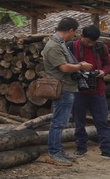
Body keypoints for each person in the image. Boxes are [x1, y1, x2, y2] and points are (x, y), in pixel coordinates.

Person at [41, 17, 93, 165]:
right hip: (62, 88)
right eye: (75, 32)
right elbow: (63, 67)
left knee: (61, 122)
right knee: (58, 122)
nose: (75, 35)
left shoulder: (60, 43)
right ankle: (53, 152)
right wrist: (81, 66)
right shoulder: (53, 46)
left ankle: (58, 151)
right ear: (70, 30)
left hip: (67, 87)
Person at [67, 24, 110, 159]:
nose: (90, 44)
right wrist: (79, 69)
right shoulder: (72, 46)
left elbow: (108, 64)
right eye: (88, 41)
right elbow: (64, 65)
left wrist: (103, 71)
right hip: (78, 91)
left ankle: (106, 150)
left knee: (102, 122)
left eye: (93, 42)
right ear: (81, 36)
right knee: (79, 122)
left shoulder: (101, 47)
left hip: (98, 91)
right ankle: (81, 147)